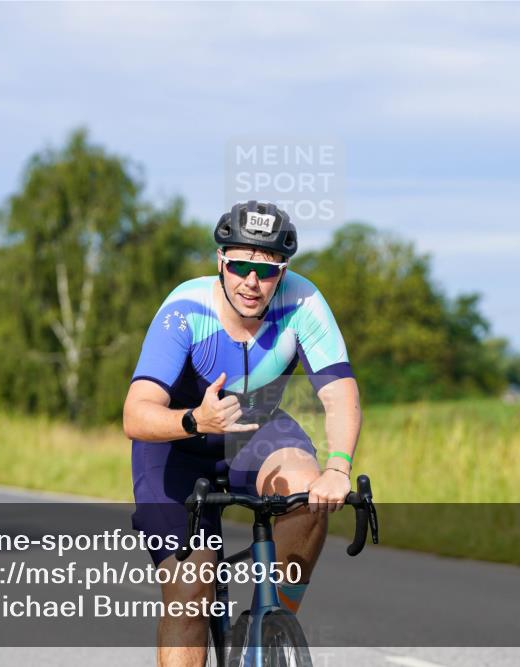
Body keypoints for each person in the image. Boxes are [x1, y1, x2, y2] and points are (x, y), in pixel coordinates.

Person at [123, 200, 362, 666]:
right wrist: (195, 420)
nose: (252, 282)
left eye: (267, 271)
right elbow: (136, 414)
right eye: (240, 266)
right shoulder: (185, 309)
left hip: (255, 430)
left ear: (283, 272)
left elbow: (340, 395)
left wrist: (338, 467)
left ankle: (266, 627)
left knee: (307, 494)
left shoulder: (304, 302)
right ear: (221, 263)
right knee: (191, 592)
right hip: (178, 441)